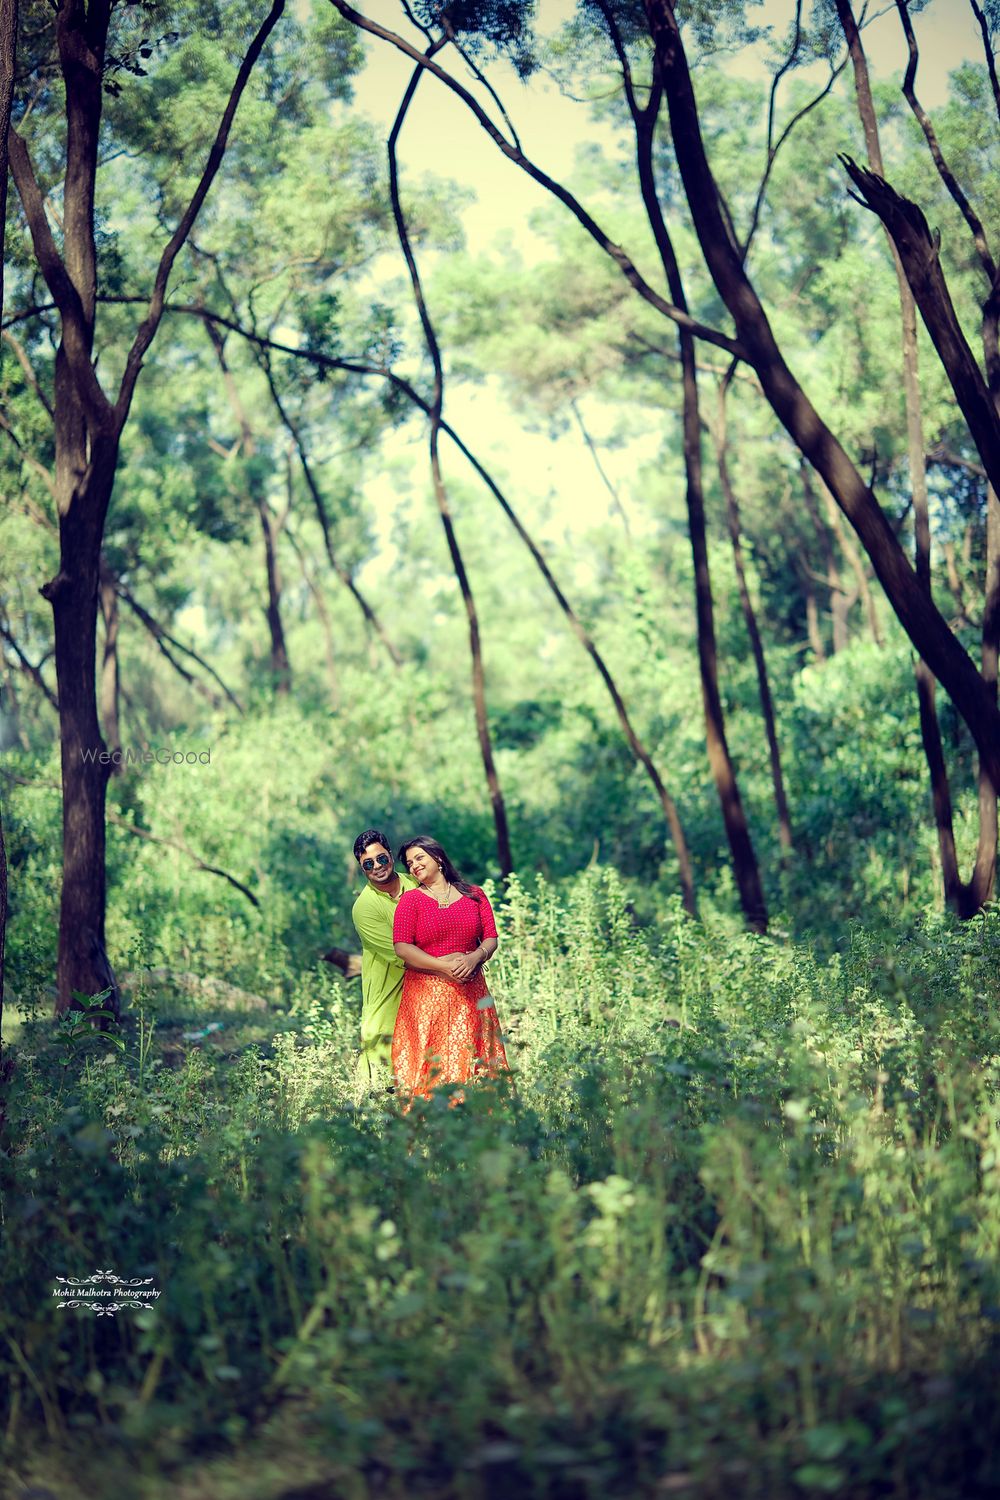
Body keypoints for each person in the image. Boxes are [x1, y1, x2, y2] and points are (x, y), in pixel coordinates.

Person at [391, 835, 509, 1102]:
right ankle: (432, 1126)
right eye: (410, 863)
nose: (414, 866)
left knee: (472, 1056)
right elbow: (402, 948)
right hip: (426, 996)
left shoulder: (475, 895)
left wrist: (474, 957)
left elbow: (491, 938)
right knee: (433, 1064)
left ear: (439, 858)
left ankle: (477, 1123)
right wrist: (443, 966)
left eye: (420, 858)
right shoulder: (411, 901)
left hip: (471, 992)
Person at [350, 829, 416, 1085]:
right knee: (385, 1079)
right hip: (388, 997)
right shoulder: (364, 908)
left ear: (390, 855)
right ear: (361, 868)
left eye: (381, 859)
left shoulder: (415, 883)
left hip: (427, 987)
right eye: (368, 864)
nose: (377, 866)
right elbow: (404, 954)